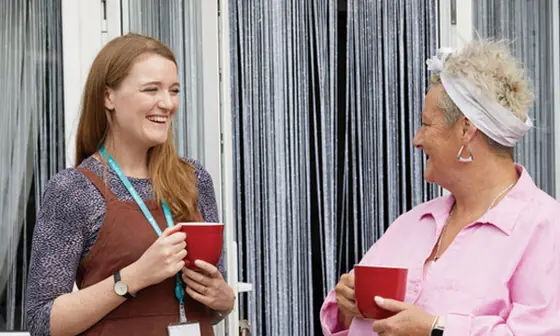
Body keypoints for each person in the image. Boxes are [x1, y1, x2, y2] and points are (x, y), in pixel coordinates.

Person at [320, 39, 560, 335]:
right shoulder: (411, 224)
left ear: (466, 130)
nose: (416, 140)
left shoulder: (545, 228)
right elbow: (352, 324)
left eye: (426, 124)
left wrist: (436, 329)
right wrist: (347, 307)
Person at [26, 33, 235, 336]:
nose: (167, 103)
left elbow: (212, 304)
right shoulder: (73, 190)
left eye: (174, 90)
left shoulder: (194, 179)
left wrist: (224, 300)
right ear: (108, 97)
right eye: (151, 89)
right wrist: (134, 277)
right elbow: (40, 323)